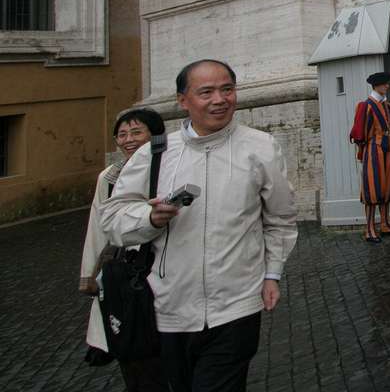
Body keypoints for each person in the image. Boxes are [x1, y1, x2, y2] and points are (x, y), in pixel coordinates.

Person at [103, 60, 298, 392]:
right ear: (183, 101)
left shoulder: (261, 147)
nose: (219, 100)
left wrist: (272, 274)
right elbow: (112, 220)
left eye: (227, 89)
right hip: (168, 307)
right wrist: (148, 218)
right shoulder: (155, 154)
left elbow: (280, 218)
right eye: (206, 92)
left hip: (237, 304)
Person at [80, 109, 168, 390]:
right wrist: (89, 275)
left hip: (164, 267)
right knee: (133, 344)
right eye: (122, 134)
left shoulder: (170, 166)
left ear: (155, 135)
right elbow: (97, 226)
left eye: (136, 132)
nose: (128, 139)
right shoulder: (109, 176)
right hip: (125, 274)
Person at [350, 71, 390, 243]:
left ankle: (385, 224)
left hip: (388, 148)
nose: (387, 86)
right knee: (372, 188)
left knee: (387, 187)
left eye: (387, 83)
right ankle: (369, 229)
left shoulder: (388, 106)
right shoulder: (366, 106)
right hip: (373, 150)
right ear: (376, 85)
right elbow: (359, 134)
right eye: (385, 83)